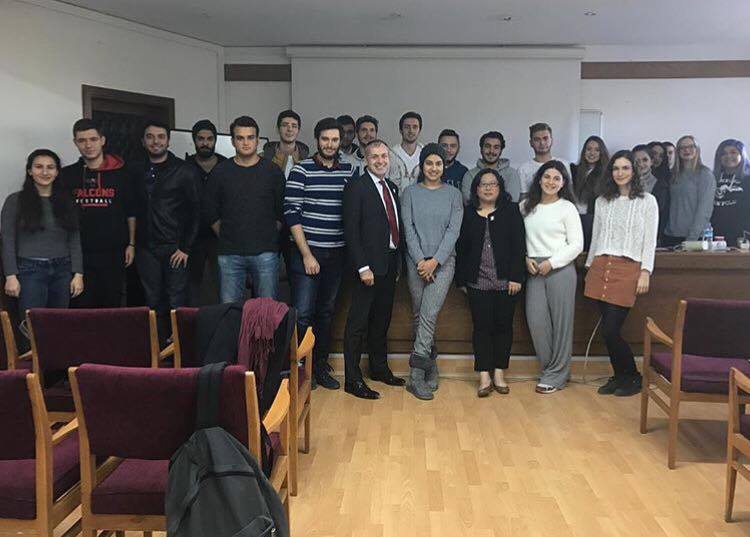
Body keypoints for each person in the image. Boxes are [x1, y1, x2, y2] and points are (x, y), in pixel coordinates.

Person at [284, 117, 356, 390]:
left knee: (326, 312)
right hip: (306, 253)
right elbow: (291, 213)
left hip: (337, 254)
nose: (330, 144)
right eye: (325, 139)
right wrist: (306, 254)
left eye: (335, 139)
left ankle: (320, 366)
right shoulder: (301, 170)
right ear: (317, 140)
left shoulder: (349, 170)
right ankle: (301, 368)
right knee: (303, 313)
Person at [585, 150, 658, 397]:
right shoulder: (602, 201)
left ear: (634, 171)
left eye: (625, 168)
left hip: (628, 269)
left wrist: (645, 271)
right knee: (607, 330)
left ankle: (634, 377)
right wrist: (589, 267)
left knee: (611, 330)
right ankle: (619, 376)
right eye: (616, 168)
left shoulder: (647, 201)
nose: (620, 173)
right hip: (601, 265)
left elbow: (649, 240)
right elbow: (596, 236)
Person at [342, 139, 406, 399]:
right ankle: (352, 379)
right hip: (367, 267)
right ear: (366, 160)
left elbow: (394, 226)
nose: (380, 161)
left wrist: (397, 264)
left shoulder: (391, 187)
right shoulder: (356, 187)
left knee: (381, 320)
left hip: (389, 264)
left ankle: (379, 369)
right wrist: (362, 267)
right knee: (357, 324)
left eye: (384, 156)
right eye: (375, 157)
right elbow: (351, 231)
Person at [456, 169, 525, 397]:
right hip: (478, 282)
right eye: (483, 184)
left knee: (503, 328)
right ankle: (484, 375)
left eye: (493, 184)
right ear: (476, 189)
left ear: (500, 188)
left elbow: (519, 246)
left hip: (507, 282)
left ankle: (499, 373)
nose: (488, 188)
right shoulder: (468, 213)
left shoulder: (511, 211)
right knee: (482, 329)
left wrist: (516, 276)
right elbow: (462, 248)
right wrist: (462, 280)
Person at [401, 144, 463, 400]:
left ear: (444, 166)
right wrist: (421, 261)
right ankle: (430, 365)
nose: (434, 168)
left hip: (444, 262)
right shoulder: (409, 193)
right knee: (420, 315)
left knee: (428, 314)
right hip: (415, 261)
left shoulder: (454, 194)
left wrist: (435, 261)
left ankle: (415, 376)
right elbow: (408, 228)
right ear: (422, 165)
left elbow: (453, 231)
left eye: (438, 163)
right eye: (429, 163)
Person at [203, 116, 285, 302]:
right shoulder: (220, 172)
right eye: (240, 138)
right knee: (229, 310)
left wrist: (268, 235)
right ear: (233, 141)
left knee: (266, 310)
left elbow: (281, 210)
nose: (246, 142)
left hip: (265, 252)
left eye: (250, 137)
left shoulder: (272, 172)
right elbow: (210, 210)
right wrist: (227, 235)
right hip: (230, 253)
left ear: (257, 140)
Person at [2, 150, 83, 339]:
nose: (45, 172)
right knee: (32, 327)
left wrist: (78, 274)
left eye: (50, 167)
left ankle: (57, 360)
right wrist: (10, 275)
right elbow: (7, 239)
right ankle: (34, 360)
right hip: (30, 271)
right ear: (30, 171)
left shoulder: (66, 201)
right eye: (39, 167)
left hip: (63, 270)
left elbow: (74, 238)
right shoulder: (15, 201)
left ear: (57, 172)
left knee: (59, 325)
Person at [132, 121, 200, 345]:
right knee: (152, 301)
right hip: (145, 247)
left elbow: (196, 211)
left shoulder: (184, 170)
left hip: (175, 247)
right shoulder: (136, 170)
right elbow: (130, 209)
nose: (156, 141)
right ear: (143, 141)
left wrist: (186, 247)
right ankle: (159, 348)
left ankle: (181, 348)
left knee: (177, 299)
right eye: (150, 137)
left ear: (168, 141)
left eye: (161, 136)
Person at [60, 118, 135, 308]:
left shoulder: (122, 173)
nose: (88, 145)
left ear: (102, 140)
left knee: (111, 305)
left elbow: (131, 211)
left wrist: (131, 244)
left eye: (93, 139)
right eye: (82, 140)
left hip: (114, 251)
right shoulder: (67, 175)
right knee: (80, 306)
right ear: (75, 143)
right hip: (79, 254)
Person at [522, 160, 583, 394]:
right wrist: (525, 258)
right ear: (539, 179)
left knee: (562, 324)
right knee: (537, 322)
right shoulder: (526, 206)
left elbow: (576, 244)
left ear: (563, 183)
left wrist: (552, 262)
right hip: (534, 270)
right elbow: (517, 238)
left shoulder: (567, 208)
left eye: (557, 178)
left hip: (560, 269)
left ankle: (557, 374)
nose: (551, 182)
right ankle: (552, 370)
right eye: (547, 177)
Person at [185, 119, 226, 305]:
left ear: (215, 140)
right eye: (200, 139)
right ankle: (191, 321)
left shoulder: (226, 166)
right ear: (194, 140)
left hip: (221, 236)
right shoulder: (184, 167)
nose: (205, 143)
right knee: (191, 288)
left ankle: (222, 320)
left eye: (209, 139)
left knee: (223, 285)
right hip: (191, 238)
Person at [663, 135, 716, 245]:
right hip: (671, 235)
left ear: (697, 149)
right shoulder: (673, 174)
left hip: (695, 237)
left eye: (691, 146)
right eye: (682, 148)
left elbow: (704, 210)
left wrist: (691, 238)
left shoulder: (705, 174)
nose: (687, 150)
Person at [570, 136, 609, 250]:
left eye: (597, 150)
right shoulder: (574, 170)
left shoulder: (606, 174)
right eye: (589, 149)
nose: (592, 153)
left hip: (592, 221)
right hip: (574, 219)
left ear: (602, 153)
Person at [461, 131, 521, 203]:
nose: (491, 151)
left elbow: (512, 202)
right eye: (487, 146)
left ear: (501, 151)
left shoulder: (511, 174)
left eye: (496, 147)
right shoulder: (470, 175)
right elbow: (469, 202)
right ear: (481, 149)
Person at [712, 139, 750, 245]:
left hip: (742, 234)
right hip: (715, 233)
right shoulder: (711, 178)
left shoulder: (748, 179)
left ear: (742, 155)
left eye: (733, 152)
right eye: (724, 153)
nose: (728, 156)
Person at [518, 123, 570, 198]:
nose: (542, 143)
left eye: (545, 138)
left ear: (551, 140)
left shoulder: (564, 164)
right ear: (531, 143)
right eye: (537, 139)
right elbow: (524, 197)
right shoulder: (523, 169)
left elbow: (569, 192)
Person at [633, 144, 669, 245]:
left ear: (651, 161)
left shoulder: (661, 186)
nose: (640, 164)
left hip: (650, 239)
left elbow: (662, 216)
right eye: (636, 161)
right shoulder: (624, 183)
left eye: (645, 160)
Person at [262, 110, 309, 179]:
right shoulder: (262, 158)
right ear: (278, 129)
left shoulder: (307, 160)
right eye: (285, 125)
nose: (290, 129)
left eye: (294, 126)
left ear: (298, 130)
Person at [390, 111, 424, 193]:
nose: (411, 131)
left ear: (419, 130)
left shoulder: (425, 154)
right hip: (396, 199)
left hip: (420, 199)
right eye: (407, 127)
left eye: (415, 127)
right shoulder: (390, 154)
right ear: (400, 130)